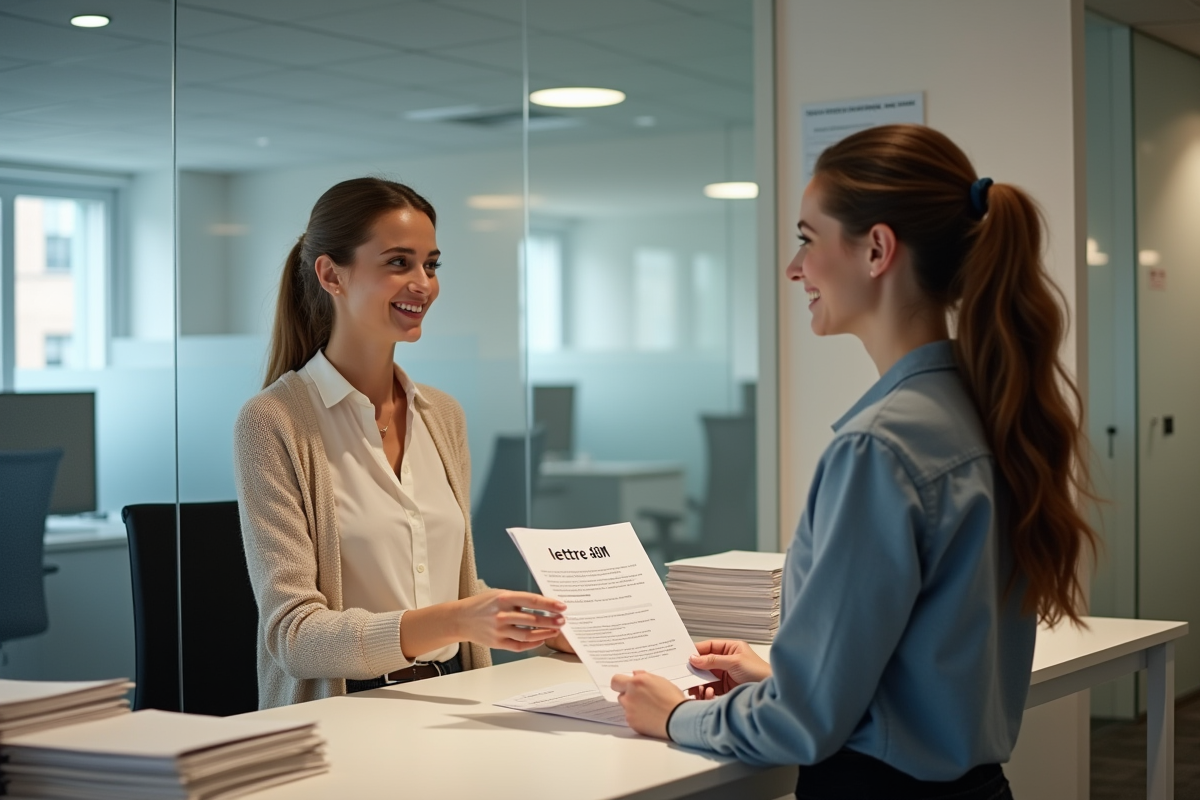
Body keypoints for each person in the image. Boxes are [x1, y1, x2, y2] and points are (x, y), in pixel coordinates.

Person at [611, 125, 1097, 799]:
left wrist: (674, 714)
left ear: (876, 249)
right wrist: (787, 674)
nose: (793, 268)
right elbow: (916, 666)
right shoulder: (983, 410)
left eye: (807, 239)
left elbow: (800, 726)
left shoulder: (879, 447)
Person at [234, 177, 570, 710]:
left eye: (431, 265)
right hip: (345, 713)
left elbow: (449, 585)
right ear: (331, 275)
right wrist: (459, 619)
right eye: (398, 263)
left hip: (455, 697)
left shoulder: (442, 415)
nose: (423, 284)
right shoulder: (273, 421)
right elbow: (294, 637)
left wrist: (539, 626)